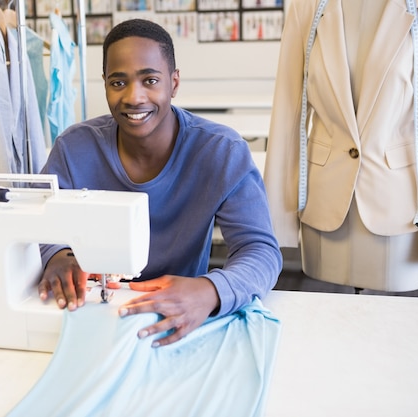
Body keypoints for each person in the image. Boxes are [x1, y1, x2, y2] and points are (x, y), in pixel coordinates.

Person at [37, 18, 282, 347]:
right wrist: (58, 254)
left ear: (174, 82)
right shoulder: (75, 148)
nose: (134, 97)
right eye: (118, 82)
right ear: (105, 84)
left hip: (181, 315)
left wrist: (211, 290)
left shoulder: (221, 153)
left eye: (150, 80)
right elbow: (39, 222)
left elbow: (260, 250)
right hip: (94, 313)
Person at [264, 0, 418, 292]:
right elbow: (287, 114)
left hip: (399, 212)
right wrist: (276, 222)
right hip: (324, 209)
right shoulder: (306, 5)